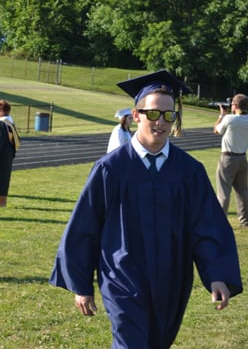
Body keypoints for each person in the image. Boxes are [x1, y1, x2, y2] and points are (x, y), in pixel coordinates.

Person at [49, 70, 243, 348]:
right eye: (152, 114)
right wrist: (81, 283)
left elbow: (206, 225)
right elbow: (85, 226)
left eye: (168, 115)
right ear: (136, 115)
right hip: (122, 276)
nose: (160, 122)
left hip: (172, 279)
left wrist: (217, 275)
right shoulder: (110, 169)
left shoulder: (189, 171)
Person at [213, 93, 248, 227]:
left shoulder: (229, 119)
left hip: (228, 159)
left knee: (223, 192)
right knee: (243, 191)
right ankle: (245, 221)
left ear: (235, 105)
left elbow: (216, 130)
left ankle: (220, 221)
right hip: (242, 158)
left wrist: (221, 115)